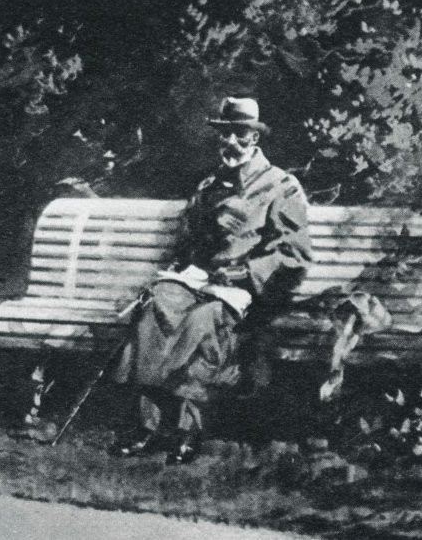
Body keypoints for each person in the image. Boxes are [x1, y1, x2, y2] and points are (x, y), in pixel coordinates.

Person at [110, 96, 313, 465]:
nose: (230, 142)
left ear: (255, 138)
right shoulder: (208, 185)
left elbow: (293, 255)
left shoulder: (281, 186)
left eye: (240, 134)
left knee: (202, 322)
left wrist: (243, 273)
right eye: (224, 134)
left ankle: (188, 429)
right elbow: (189, 242)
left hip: (244, 289)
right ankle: (148, 426)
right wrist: (180, 270)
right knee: (157, 304)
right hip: (200, 281)